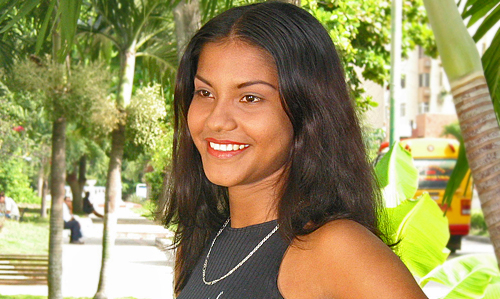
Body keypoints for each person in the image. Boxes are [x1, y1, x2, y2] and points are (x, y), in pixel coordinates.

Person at [161, 2, 428, 298]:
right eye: (205, 93)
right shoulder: (200, 244)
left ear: (307, 111)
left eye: (250, 98)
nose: (217, 120)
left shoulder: (336, 250)